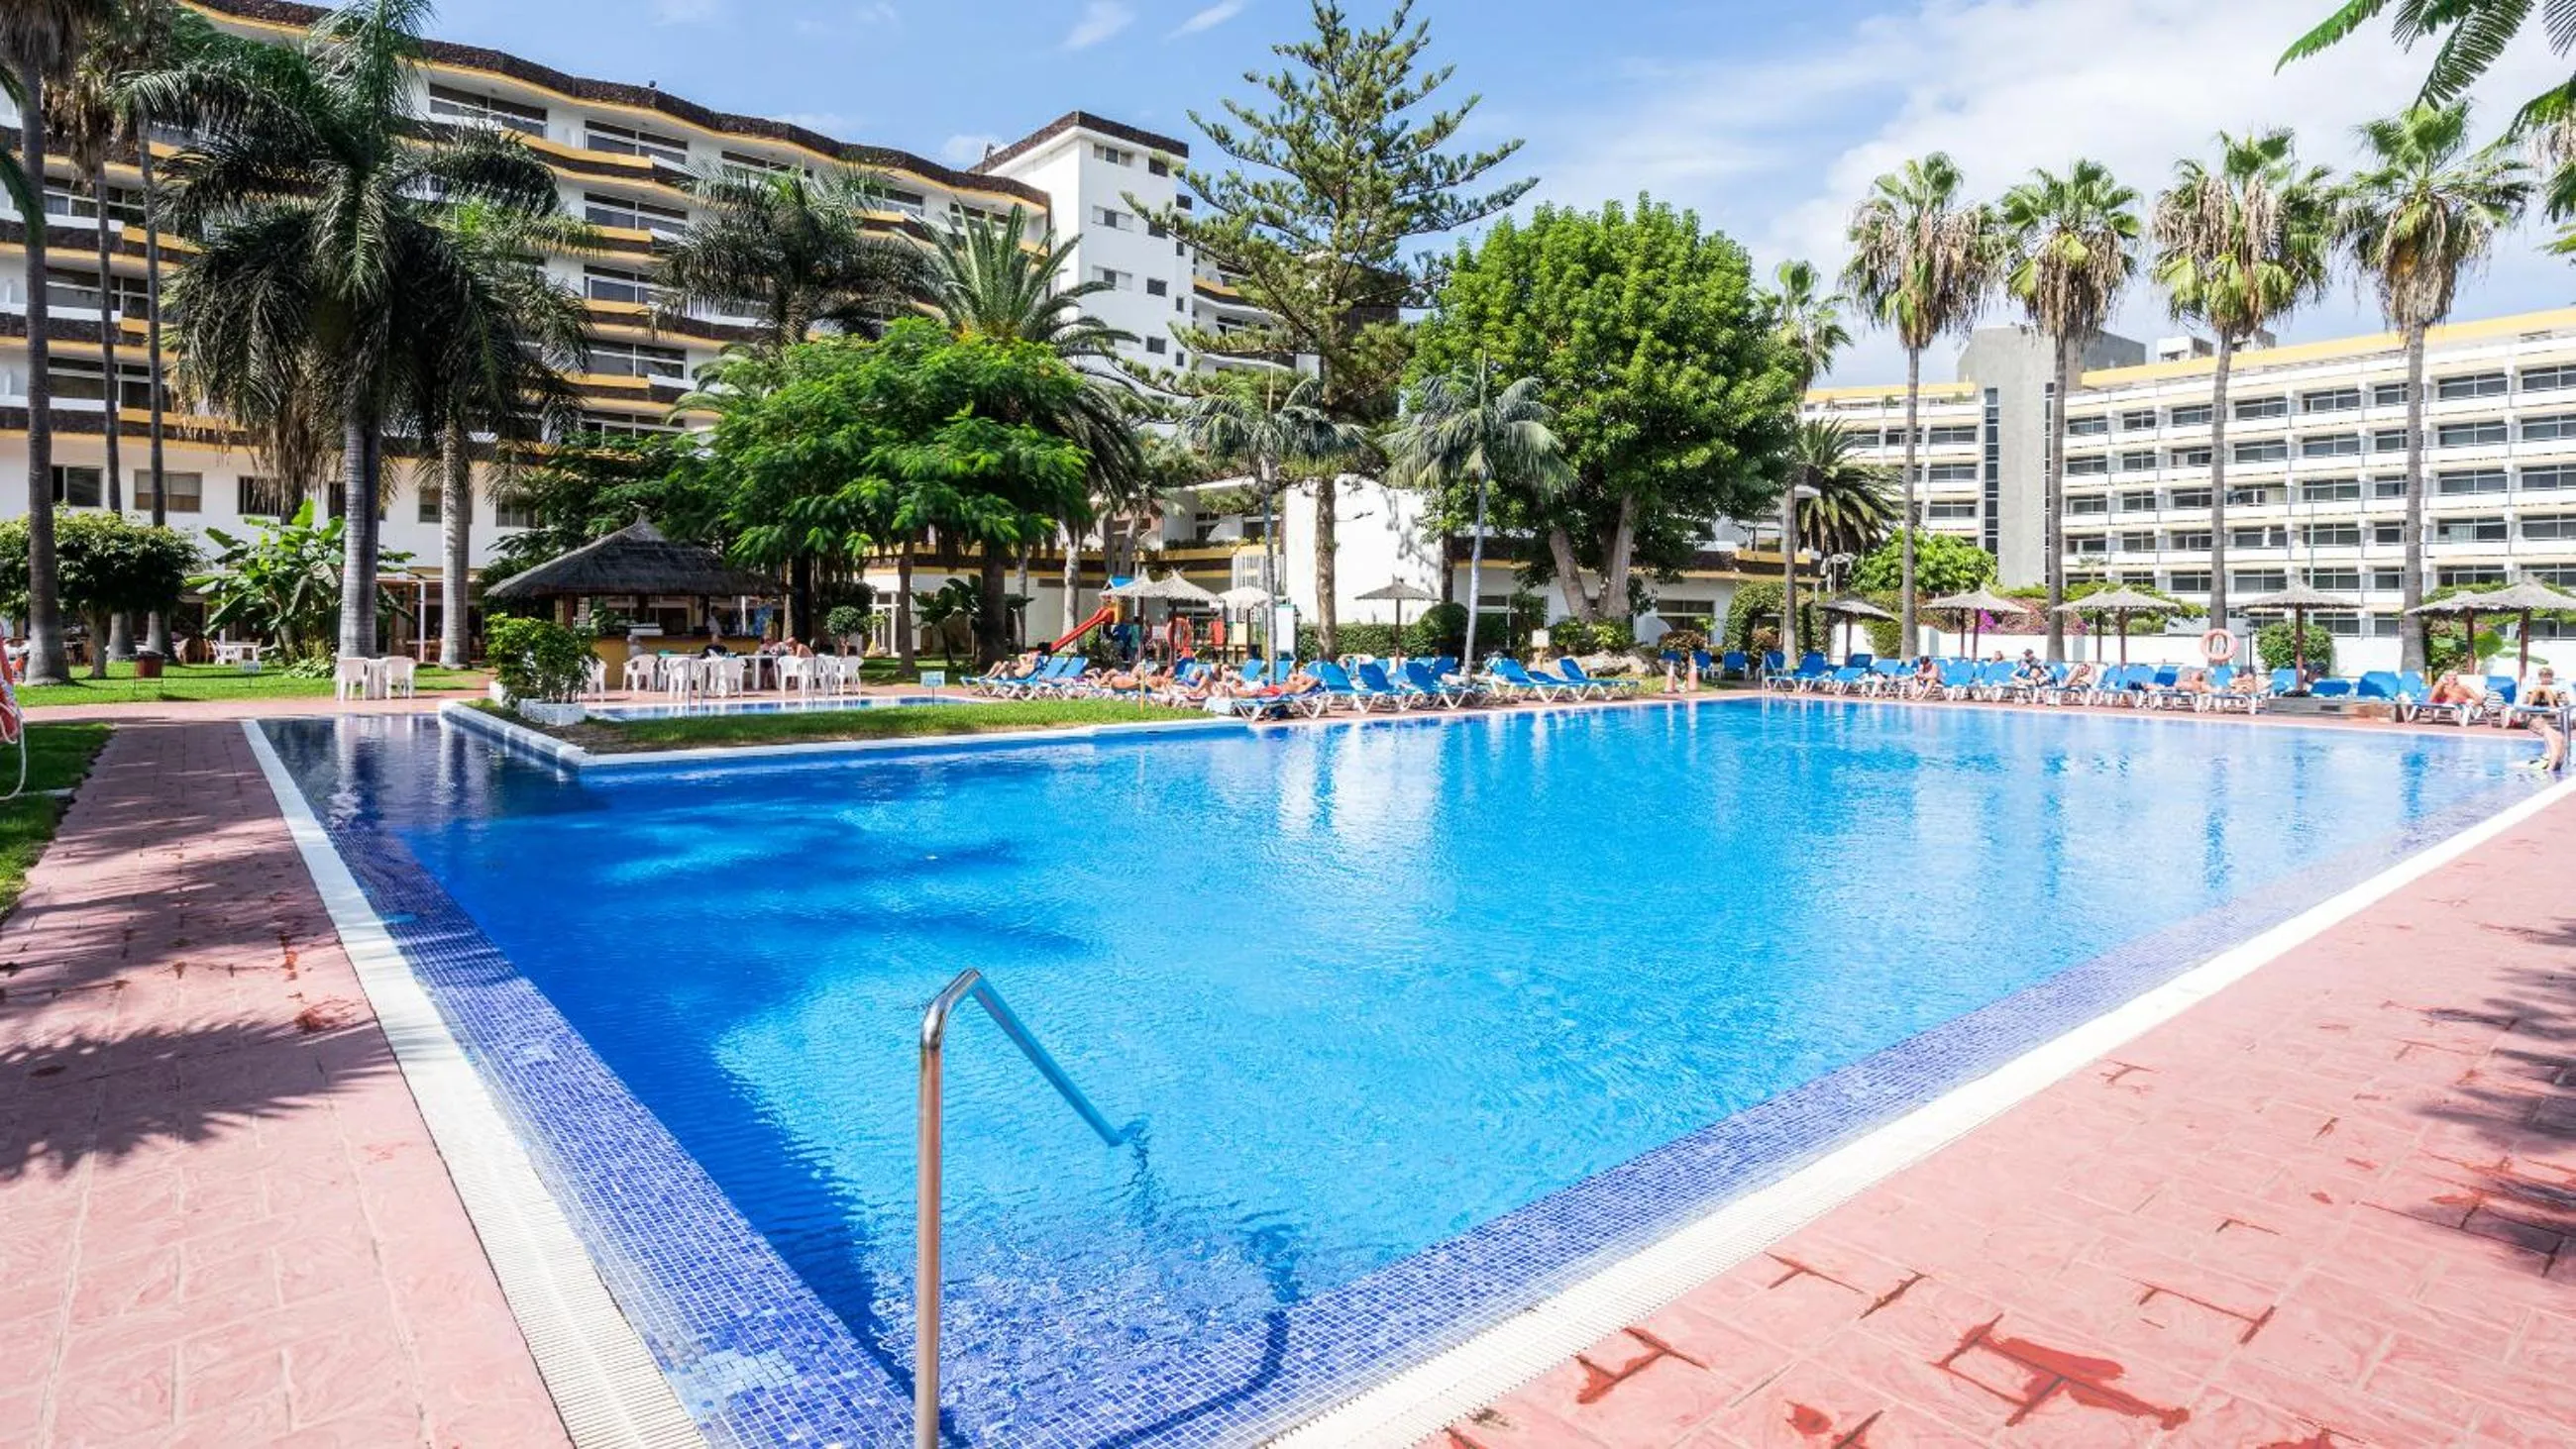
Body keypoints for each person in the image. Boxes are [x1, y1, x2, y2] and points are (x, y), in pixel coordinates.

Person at [2522, 668, 2569, 772]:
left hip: (2552, 703)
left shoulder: (2557, 687)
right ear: (2540, 677)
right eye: (2544, 676)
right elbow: (2526, 698)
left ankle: (2544, 706)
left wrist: (2550, 770)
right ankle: (2530, 706)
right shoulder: (2554, 733)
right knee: (2539, 689)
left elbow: (2555, 752)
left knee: (2544, 689)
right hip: (2540, 701)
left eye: (2548, 676)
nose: (2534, 730)